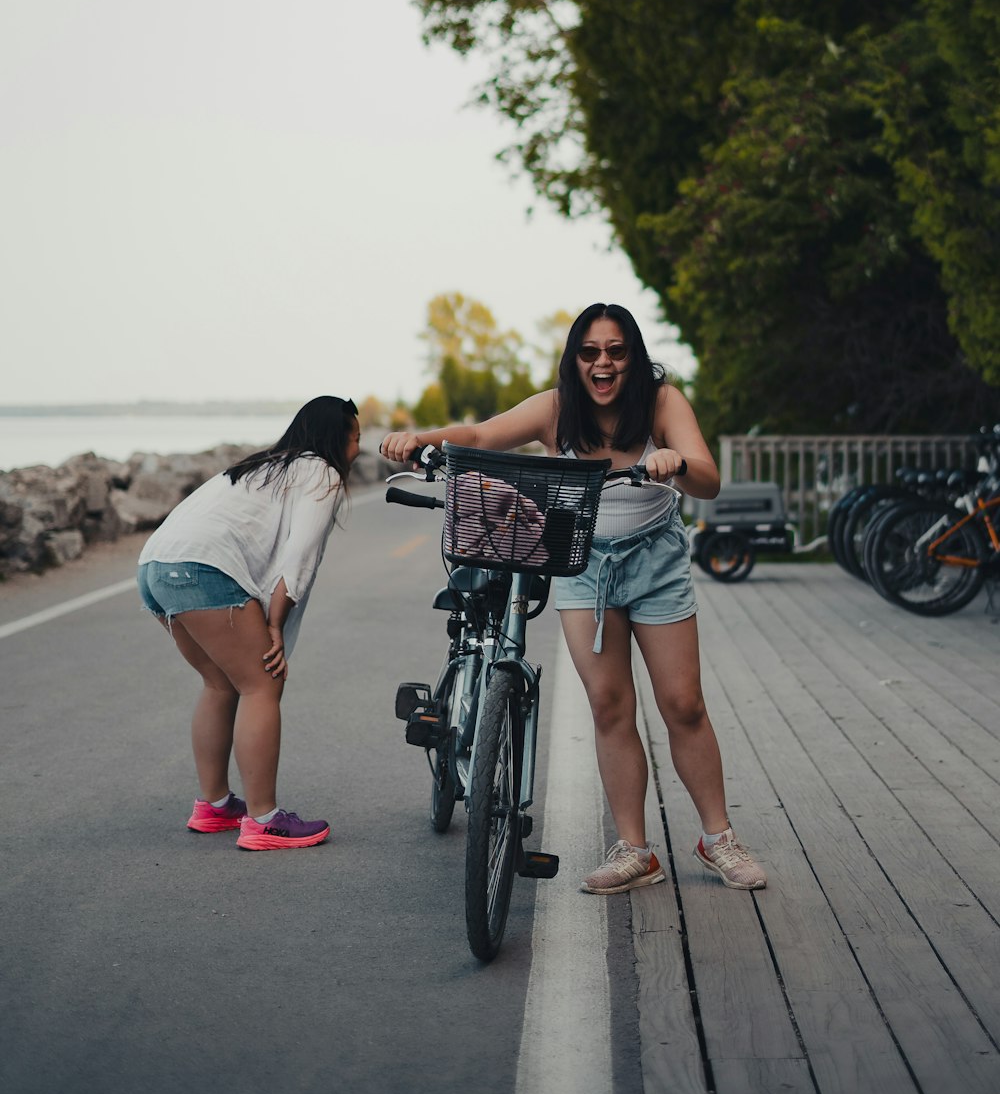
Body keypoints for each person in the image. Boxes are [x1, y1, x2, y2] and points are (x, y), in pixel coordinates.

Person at [381, 304, 766, 894]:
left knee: (683, 703)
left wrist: (677, 463)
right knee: (610, 705)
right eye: (590, 352)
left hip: (656, 561)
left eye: (615, 351)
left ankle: (719, 840)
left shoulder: (662, 402)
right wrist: (420, 440)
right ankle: (635, 851)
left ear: (632, 356)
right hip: (583, 564)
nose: (603, 363)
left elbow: (708, 478)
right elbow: (483, 434)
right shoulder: (558, 407)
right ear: (574, 359)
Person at [137, 395, 361, 851]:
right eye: (355, 438)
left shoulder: (261, 465)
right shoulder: (322, 472)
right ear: (334, 439)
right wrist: (275, 623)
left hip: (155, 567)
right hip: (201, 569)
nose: (358, 449)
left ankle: (215, 807)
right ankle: (264, 820)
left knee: (220, 684)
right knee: (263, 685)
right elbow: (298, 557)